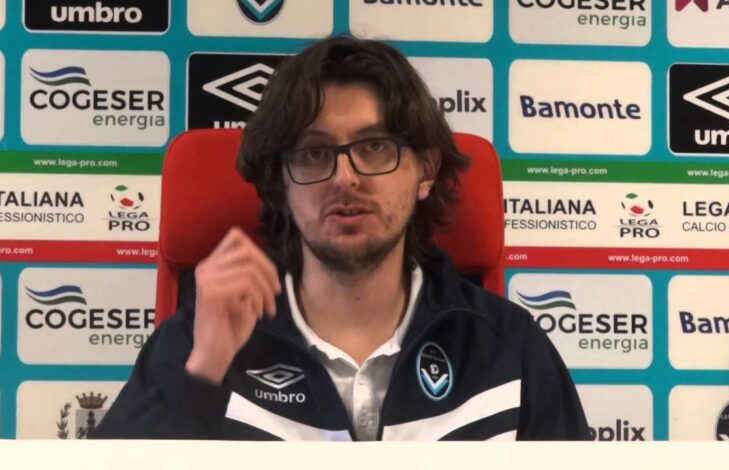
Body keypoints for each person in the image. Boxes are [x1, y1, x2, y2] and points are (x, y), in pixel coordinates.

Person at [94, 36, 588, 441]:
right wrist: (202, 373)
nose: (344, 178)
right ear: (281, 184)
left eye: (375, 147)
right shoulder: (195, 342)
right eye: (313, 153)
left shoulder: (510, 348)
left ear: (426, 171)